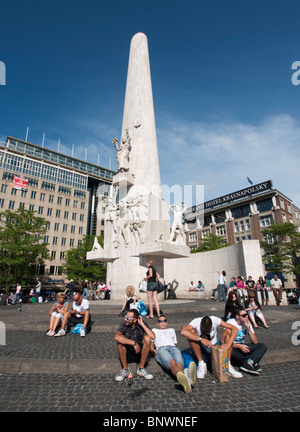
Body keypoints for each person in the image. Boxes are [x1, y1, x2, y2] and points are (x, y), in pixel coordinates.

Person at [151, 315, 196, 394]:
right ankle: (187, 376)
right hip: (161, 348)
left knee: (179, 363)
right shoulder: (154, 330)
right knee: (172, 363)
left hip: (173, 347)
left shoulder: (171, 330)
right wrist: (153, 350)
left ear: (167, 323)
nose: (162, 322)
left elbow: (174, 342)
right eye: (160, 321)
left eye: (164, 320)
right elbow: (151, 342)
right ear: (158, 324)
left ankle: (186, 380)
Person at [114, 309, 155, 381]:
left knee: (147, 338)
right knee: (120, 342)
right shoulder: (124, 325)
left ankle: (141, 368)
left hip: (140, 353)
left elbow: (153, 336)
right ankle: (125, 369)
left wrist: (142, 324)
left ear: (135, 320)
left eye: (128, 318)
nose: (125, 319)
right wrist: (134, 343)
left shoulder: (142, 324)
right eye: (125, 317)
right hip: (128, 352)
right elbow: (117, 337)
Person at [227, 306, 268, 375]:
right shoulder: (230, 323)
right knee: (231, 351)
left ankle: (249, 362)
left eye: (246, 315)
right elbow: (227, 343)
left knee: (262, 346)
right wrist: (240, 346)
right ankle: (250, 362)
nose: (246, 317)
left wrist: (249, 329)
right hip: (233, 346)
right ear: (237, 316)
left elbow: (255, 341)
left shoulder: (247, 323)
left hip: (242, 345)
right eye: (243, 315)